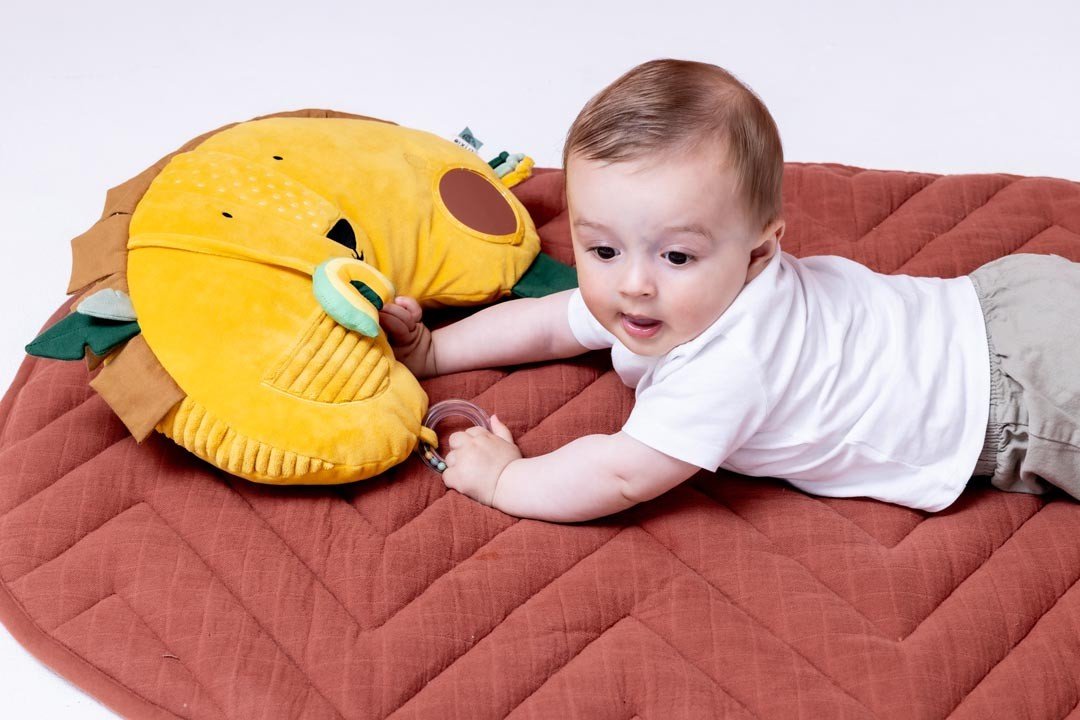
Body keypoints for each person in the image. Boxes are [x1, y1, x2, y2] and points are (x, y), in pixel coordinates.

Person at [377, 58, 1080, 522]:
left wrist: (504, 482)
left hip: (1017, 400)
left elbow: (619, 474)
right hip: (1004, 303)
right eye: (601, 249)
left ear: (759, 251)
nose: (633, 283)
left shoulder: (729, 365)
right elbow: (546, 323)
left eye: (678, 254)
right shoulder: (658, 296)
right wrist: (434, 351)